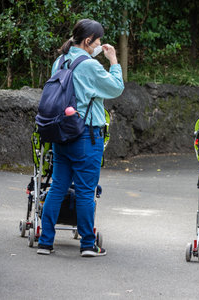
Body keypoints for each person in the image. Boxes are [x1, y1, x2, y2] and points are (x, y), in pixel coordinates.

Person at [37, 19, 124, 257]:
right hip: (86, 135)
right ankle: (88, 244)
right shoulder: (89, 65)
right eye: (97, 41)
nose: (98, 45)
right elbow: (116, 88)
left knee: (57, 188)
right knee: (86, 191)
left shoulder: (60, 61)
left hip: (61, 133)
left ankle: (45, 241)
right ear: (88, 41)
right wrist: (113, 61)